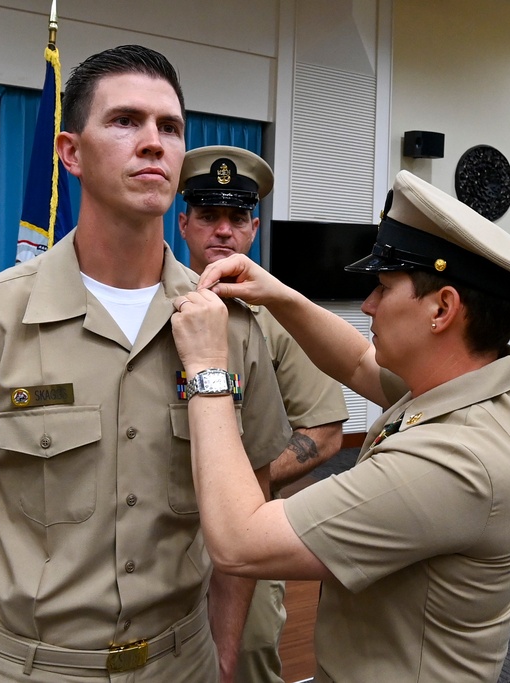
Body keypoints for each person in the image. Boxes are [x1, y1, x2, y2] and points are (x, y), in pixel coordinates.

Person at [0, 45, 290, 683]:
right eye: (126, 121)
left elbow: (250, 509)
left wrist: (225, 657)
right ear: (70, 152)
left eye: (170, 127)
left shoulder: (230, 327)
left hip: (182, 666)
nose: (153, 142)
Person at [170, 169, 510, 682]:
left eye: (382, 287)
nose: (368, 305)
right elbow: (357, 362)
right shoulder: (488, 388)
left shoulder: (456, 461)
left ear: (443, 308)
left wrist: (207, 367)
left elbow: (239, 541)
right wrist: (279, 294)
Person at [177, 145, 349, 683]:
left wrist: (232, 486)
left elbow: (322, 435)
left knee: (243, 663)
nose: (222, 231)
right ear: (183, 223)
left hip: (246, 542)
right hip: (156, 537)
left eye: (237, 218)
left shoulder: (277, 319)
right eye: (209, 216)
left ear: (253, 229)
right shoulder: (152, 308)